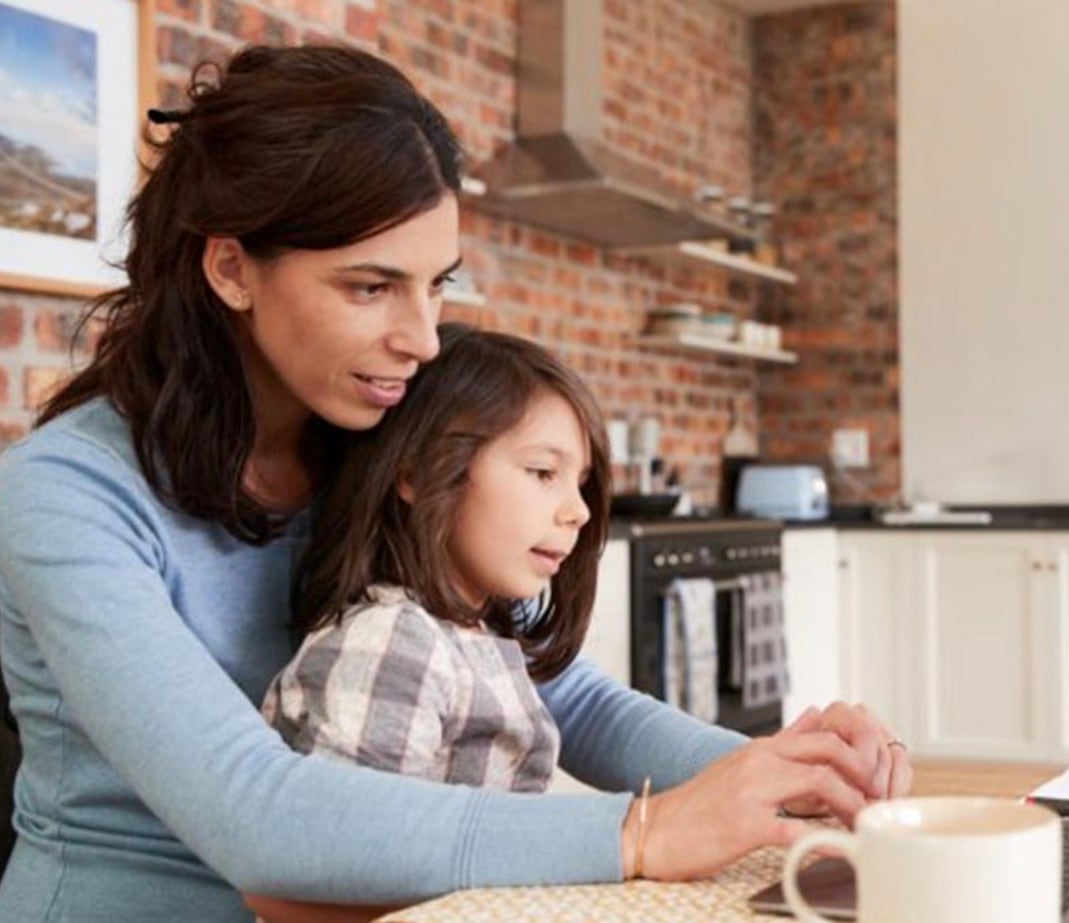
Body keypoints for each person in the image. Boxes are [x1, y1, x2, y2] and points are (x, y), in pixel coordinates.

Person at [0, 43, 911, 923]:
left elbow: (550, 688)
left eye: (437, 284)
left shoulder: (368, 441)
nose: (424, 338)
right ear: (232, 267)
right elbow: (256, 813)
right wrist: (643, 830)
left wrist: (790, 775)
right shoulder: (69, 494)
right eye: (370, 288)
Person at [261, 323, 614, 798]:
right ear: (420, 474)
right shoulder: (392, 644)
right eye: (543, 472)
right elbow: (355, 846)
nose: (579, 511)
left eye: (580, 481)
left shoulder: (474, 633)